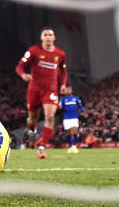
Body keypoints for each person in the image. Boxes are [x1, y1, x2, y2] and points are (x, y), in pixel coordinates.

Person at [16, 27, 67, 159]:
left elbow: (63, 70)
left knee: (50, 117)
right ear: (42, 38)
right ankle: (32, 130)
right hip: (34, 89)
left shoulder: (60, 54)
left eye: (50, 35)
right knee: (32, 119)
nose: (48, 37)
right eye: (45, 35)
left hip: (50, 89)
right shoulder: (34, 50)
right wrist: (23, 75)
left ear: (54, 37)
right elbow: (19, 66)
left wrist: (63, 84)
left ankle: (42, 146)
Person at [59, 85, 87, 153]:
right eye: (67, 90)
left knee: (74, 132)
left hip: (74, 117)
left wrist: (84, 111)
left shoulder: (76, 98)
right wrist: (59, 106)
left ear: (71, 91)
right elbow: (60, 108)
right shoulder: (63, 99)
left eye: (69, 89)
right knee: (69, 133)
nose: (68, 91)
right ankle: (70, 146)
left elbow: (80, 106)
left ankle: (74, 146)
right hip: (66, 118)